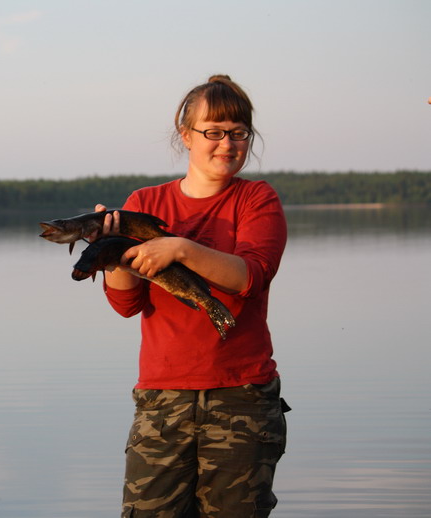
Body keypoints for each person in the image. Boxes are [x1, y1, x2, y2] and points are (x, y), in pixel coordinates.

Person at [92, 75, 289, 517]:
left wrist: (179, 249)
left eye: (239, 133)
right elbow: (126, 305)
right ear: (186, 135)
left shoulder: (256, 199)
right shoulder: (145, 203)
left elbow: (252, 277)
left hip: (242, 398)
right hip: (162, 401)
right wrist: (112, 255)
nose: (227, 144)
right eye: (213, 132)